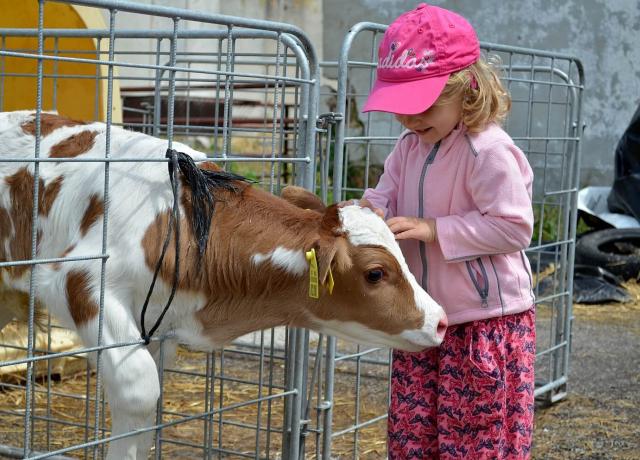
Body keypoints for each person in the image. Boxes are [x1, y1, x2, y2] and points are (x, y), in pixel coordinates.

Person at [351, 4, 536, 459]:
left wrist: (434, 229)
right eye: (400, 108)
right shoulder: (409, 145)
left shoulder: (488, 152)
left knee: (476, 438)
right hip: (422, 318)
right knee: (416, 438)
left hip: (483, 323)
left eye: (423, 106)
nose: (410, 120)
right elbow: (385, 194)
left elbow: (514, 228)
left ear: (467, 89)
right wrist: (365, 213)